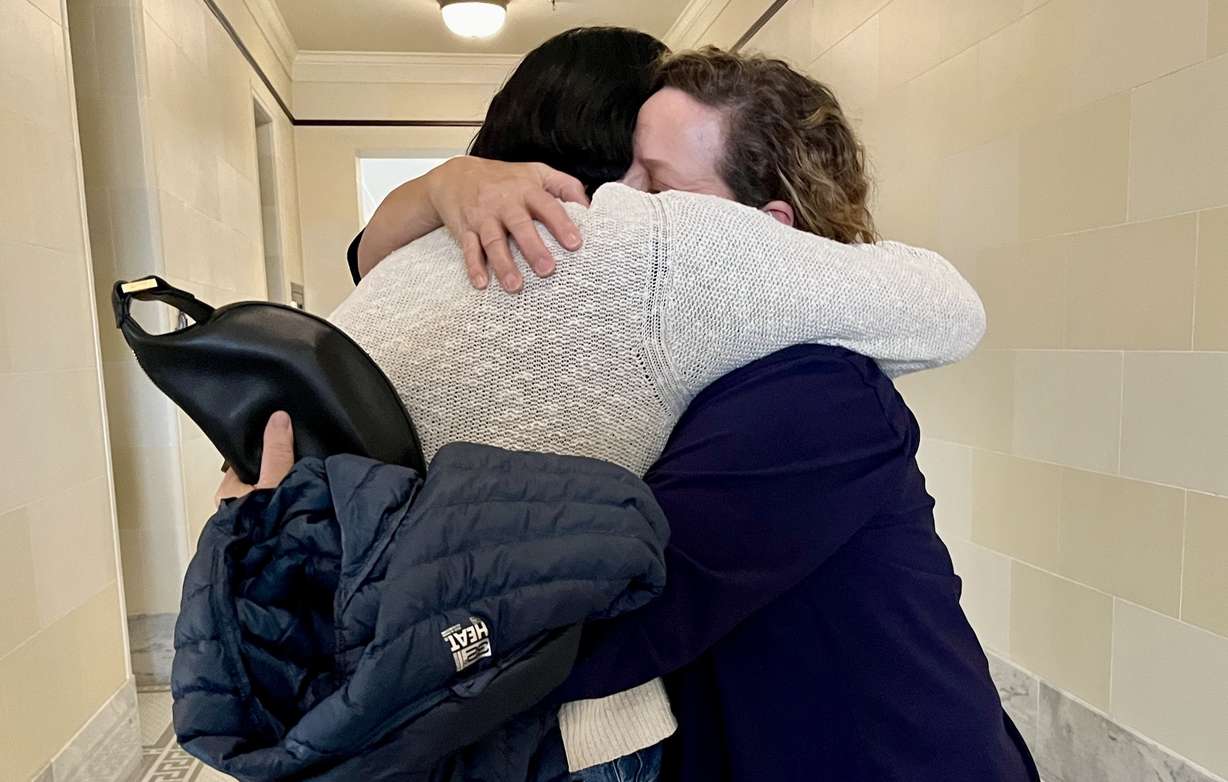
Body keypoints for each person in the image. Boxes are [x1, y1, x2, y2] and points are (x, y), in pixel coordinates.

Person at [330, 32, 1035, 782]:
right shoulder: (691, 367)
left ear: (769, 235)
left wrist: (376, 653)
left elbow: (615, 622)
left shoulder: (815, 395)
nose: (613, 208)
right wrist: (448, 182)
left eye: (659, 191)